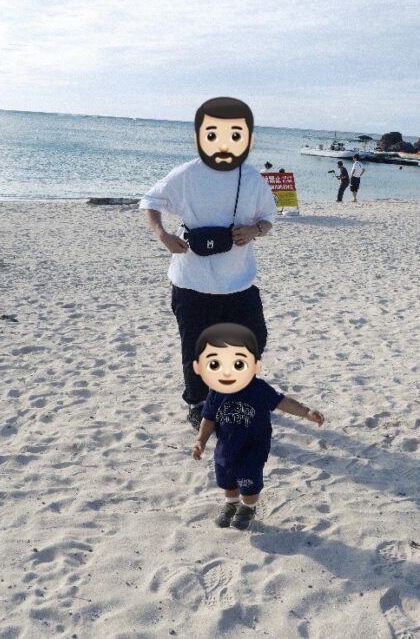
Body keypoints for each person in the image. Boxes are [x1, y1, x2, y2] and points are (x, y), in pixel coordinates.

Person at [141, 97, 276, 431]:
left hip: (239, 280)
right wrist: (162, 235)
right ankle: (198, 403)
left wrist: (254, 230)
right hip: (191, 280)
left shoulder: (253, 179)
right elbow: (150, 200)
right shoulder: (187, 174)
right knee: (194, 346)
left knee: (254, 338)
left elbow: (268, 218)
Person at [190, 323, 325, 530]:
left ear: (254, 366)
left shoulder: (259, 389)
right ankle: (231, 504)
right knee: (227, 480)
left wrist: (306, 412)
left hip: (253, 446)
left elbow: (282, 402)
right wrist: (201, 440)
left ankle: (248, 507)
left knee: (249, 481)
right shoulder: (216, 391)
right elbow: (208, 419)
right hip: (226, 446)